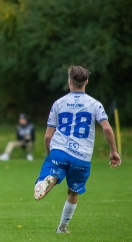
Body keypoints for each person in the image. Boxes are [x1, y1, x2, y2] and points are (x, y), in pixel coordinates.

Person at [33, 66, 121, 233]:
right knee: (73, 192)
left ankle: (48, 180)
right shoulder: (95, 104)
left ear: (69, 81)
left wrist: (50, 154)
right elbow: (107, 129)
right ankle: (62, 227)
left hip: (59, 150)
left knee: (50, 174)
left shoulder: (58, 103)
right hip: (82, 157)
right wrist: (113, 151)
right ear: (86, 81)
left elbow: (47, 136)